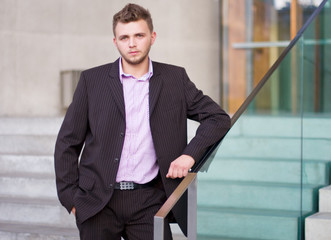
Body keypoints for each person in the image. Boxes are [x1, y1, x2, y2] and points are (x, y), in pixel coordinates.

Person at [54, 3, 230, 240]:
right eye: (124, 37)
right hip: (98, 202)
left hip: (149, 200)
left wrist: (189, 155)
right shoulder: (91, 81)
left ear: (152, 37)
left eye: (139, 35)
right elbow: (67, 143)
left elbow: (217, 118)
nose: (132, 43)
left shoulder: (174, 79)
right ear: (115, 42)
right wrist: (72, 200)